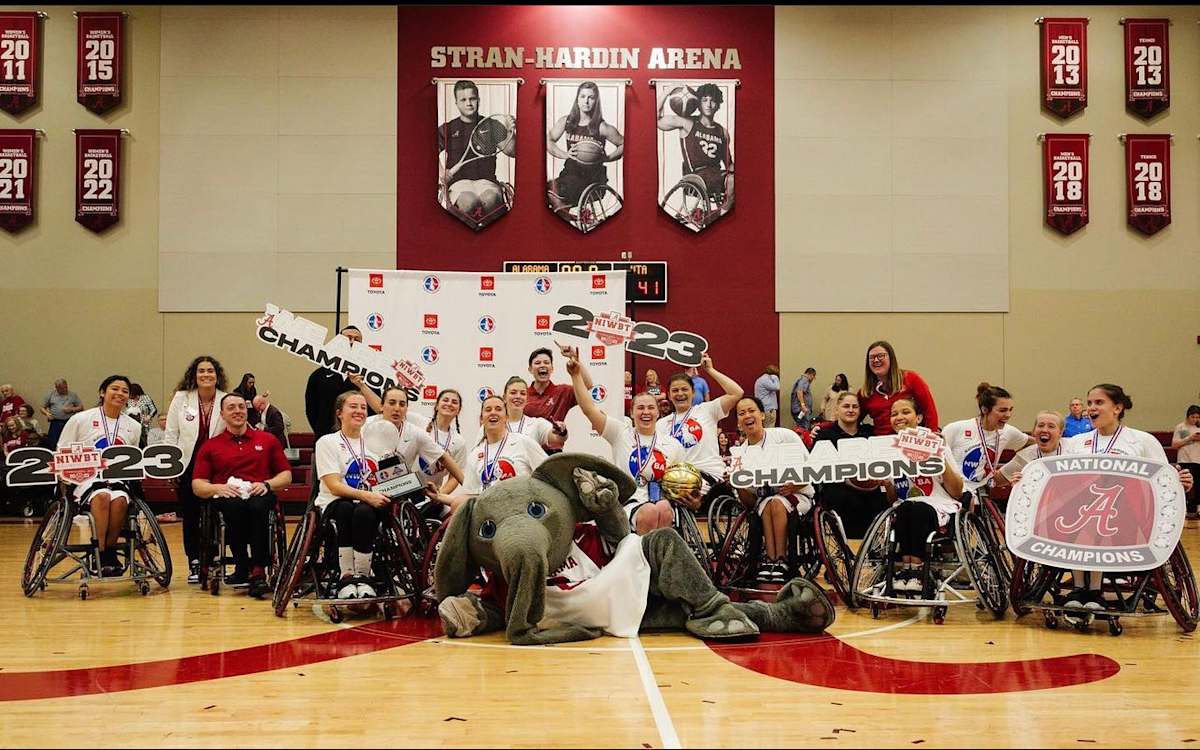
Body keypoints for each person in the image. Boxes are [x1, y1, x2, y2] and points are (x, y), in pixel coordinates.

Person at [1045, 384, 1195, 613]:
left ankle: (1094, 590)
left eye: (1098, 403)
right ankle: (1079, 588)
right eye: (1090, 403)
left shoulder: (1142, 440)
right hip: (1084, 512)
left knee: (1095, 519)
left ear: (1117, 408)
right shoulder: (1076, 442)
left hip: (1127, 516)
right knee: (1076, 515)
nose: (1091, 408)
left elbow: (1164, 477)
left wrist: (1181, 482)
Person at [563, 345, 692, 534]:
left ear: (658, 412)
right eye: (640, 408)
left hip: (665, 507)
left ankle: (659, 556)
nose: (645, 412)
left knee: (663, 508)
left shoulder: (673, 445)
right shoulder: (620, 433)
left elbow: (683, 484)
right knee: (650, 511)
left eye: (650, 408)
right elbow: (589, 409)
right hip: (631, 505)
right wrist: (576, 375)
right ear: (631, 413)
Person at [191, 393, 292, 598]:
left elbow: (286, 476)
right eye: (231, 408)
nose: (237, 411)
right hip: (228, 496)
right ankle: (241, 563)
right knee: (234, 506)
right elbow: (197, 485)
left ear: (248, 411)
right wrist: (217, 489)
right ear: (222, 414)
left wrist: (267, 484)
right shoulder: (211, 446)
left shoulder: (268, 440)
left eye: (241, 407)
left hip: (260, 492)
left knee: (258, 506)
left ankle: (258, 570)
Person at [313, 392, 398, 601]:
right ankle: (346, 575)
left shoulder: (375, 443)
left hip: (369, 506)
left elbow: (389, 480)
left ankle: (363, 576)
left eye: (363, 407)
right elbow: (333, 485)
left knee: (364, 512)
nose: (360, 411)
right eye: (353, 406)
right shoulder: (327, 442)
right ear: (339, 413)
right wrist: (367, 496)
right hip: (335, 504)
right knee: (346, 508)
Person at [57, 375, 144, 576]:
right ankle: (100, 551)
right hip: (85, 478)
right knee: (102, 496)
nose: (120, 394)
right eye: (115, 389)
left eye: (125, 391)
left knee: (121, 500)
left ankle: (108, 552)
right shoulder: (80, 419)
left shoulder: (134, 426)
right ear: (102, 392)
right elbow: (62, 452)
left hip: (117, 479)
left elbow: (132, 459)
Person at [878, 397, 962, 593]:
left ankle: (915, 571)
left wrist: (939, 457)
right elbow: (891, 499)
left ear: (919, 418)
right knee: (905, 507)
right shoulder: (888, 450)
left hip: (937, 505)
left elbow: (957, 491)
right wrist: (886, 485)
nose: (899, 417)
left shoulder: (935, 442)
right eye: (894, 414)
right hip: (904, 508)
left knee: (915, 508)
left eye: (905, 412)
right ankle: (907, 571)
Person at [734, 396, 815, 582]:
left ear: (762, 414)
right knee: (771, 502)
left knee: (777, 503)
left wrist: (794, 485)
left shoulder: (785, 436)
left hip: (798, 494)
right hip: (765, 501)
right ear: (738, 422)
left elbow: (812, 470)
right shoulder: (740, 454)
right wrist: (737, 485)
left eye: (751, 410)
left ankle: (780, 559)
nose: (747, 415)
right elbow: (749, 502)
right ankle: (770, 561)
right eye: (741, 413)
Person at [164, 356, 229, 584]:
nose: (206, 375)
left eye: (210, 370)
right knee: (191, 515)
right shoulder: (181, 398)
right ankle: (194, 560)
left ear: (217, 374)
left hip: (217, 465)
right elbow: (171, 433)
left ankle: (211, 560)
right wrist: (171, 467)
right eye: (201, 371)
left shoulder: (225, 399)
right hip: (187, 464)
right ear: (194, 374)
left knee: (214, 513)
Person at [432, 394, 548, 513]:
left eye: (498, 409)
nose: (493, 413)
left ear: (506, 417)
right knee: (457, 506)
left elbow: (549, 477)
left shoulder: (524, 442)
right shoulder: (475, 454)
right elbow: (470, 497)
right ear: (482, 419)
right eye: (488, 410)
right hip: (488, 517)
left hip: (519, 513)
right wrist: (438, 496)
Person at [657, 354, 743, 493]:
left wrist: (710, 370)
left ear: (693, 392)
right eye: (675, 390)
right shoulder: (661, 424)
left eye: (685, 389)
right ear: (669, 395)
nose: (680, 393)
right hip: (677, 479)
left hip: (709, 475)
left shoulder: (707, 410)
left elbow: (737, 393)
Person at [366, 386, 465, 505]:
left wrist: (471, 490)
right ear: (436, 405)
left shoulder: (416, 431)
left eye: (402, 404)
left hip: (408, 489)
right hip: (371, 489)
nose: (397, 408)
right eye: (392, 403)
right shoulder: (367, 426)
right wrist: (361, 385)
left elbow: (444, 458)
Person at [438, 79, 515, 225]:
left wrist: (511, 131)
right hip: (459, 184)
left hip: (487, 182)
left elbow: (511, 151)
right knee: (469, 202)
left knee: (490, 200)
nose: (469, 103)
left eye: (472, 98)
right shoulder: (448, 128)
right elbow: (428, 152)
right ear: (456, 103)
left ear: (478, 100)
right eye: (463, 99)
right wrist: (442, 173)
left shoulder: (492, 125)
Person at [812, 392, 888, 538]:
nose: (851, 410)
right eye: (846, 406)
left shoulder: (869, 433)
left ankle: (873, 547)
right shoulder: (825, 435)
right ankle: (851, 547)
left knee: (880, 498)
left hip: (869, 486)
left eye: (855, 407)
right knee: (848, 500)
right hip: (838, 486)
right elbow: (820, 470)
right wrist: (851, 481)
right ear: (836, 409)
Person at [546, 80, 624, 222]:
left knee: (557, 191)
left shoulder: (602, 127)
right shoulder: (567, 122)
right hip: (569, 173)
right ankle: (575, 216)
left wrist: (608, 158)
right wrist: (564, 154)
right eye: (582, 96)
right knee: (545, 189)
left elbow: (624, 144)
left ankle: (574, 215)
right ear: (577, 98)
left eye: (591, 97)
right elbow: (548, 139)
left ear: (596, 101)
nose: (586, 101)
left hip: (592, 178)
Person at [656, 82, 734, 219]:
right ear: (698, 103)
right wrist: (666, 92)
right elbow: (655, 120)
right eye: (705, 100)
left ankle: (717, 215)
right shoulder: (687, 123)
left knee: (739, 181)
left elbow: (729, 163)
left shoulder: (722, 132)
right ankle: (717, 217)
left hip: (716, 174)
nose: (709, 104)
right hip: (695, 175)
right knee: (733, 181)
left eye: (713, 101)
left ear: (718, 104)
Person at [940, 383, 1033, 496]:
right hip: (953, 492)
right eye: (1002, 410)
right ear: (984, 409)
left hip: (982, 494)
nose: (1008, 415)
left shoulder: (1008, 432)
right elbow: (937, 456)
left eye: (1010, 410)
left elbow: (1034, 445)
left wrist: (1009, 470)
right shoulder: (956, 429)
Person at [304, 325, 382, 438]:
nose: (352, 341)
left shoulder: (370, 377)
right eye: (348, 338)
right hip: (326, 438)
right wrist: (321, 433)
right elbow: (311, 409)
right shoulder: (319, 375)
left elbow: (375, 411)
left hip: (362, 440)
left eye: (357, 339)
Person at [857, 341, 938, 436]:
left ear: (891, 358)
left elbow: (929, 409)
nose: (876, 360)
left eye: (881, 356)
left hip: (912, 440)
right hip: (882, 443)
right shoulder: (865, 392)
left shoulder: (911, 379)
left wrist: (932, 437)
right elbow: (852, 417)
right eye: (871, 358)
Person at [523, 346, 591, 424]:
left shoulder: (563, 392)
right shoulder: (523, 395)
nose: (542, 365)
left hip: (557, 436)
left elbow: (586, 386)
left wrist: (575, 360)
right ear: (530, 369)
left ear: (552, 368)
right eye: (537, 363)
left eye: (546, 362)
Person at [997, 411, 1067, 486]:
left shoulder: (1073, 448)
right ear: (1034, 431)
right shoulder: (1024, 457)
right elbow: (994, 481)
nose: (1044, 430)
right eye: (1040, 425)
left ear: (1060, 433)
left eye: (1051, 426)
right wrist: (1018, 488)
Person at [421, 389, 469, 494]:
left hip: (433, 495)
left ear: (458, 410)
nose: (449, 404)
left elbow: (455, 477)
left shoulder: (459, 441)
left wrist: (439, 496)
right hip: (408, 490)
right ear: (437, 406)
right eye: (445, 400)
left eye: (454, 402)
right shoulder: (420, 423)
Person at [503, 375, 566, 451]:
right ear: (504, 398)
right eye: (513, 393)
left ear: (527, 399)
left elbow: (558, 438)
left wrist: (562, 431)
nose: (518, 396)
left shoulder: (537, 424)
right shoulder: (494, 425)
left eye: (523, 393)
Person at [1172, 405, 1200, 519]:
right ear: (1187, 416)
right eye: (1193, 417)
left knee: (1198, 486)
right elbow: (1174, 444)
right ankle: (1183, 509)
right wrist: (1190, 438)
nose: (1195, 419)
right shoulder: (1181, 427)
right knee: (1185, 486)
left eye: (1198, 417)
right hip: (1184, 460)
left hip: (1198, 460)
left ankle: (1197, 509)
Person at [40, 378, 84, 450]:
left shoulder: (73, 395)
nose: (64, 389)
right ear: (57, 388)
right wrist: (47, 414)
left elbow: (81, 407)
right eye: (62, 388)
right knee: (53, 441)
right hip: (55, 422)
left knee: (69, 440)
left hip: (69, 421)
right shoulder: (50, 395)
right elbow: (42, 407)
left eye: (65, 387)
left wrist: (72, 409)